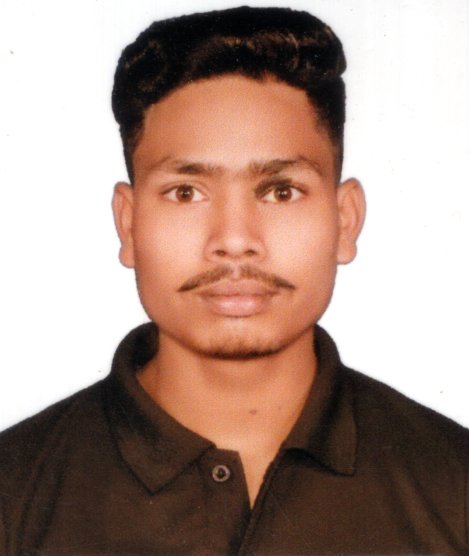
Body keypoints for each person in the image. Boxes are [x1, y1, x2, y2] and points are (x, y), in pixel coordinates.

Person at [0, 5, 467, 554]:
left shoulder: (455, 487)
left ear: (345, 221)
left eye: (280, 191)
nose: (235, 239)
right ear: (128, 224)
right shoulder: (13, 493)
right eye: (186, 193)